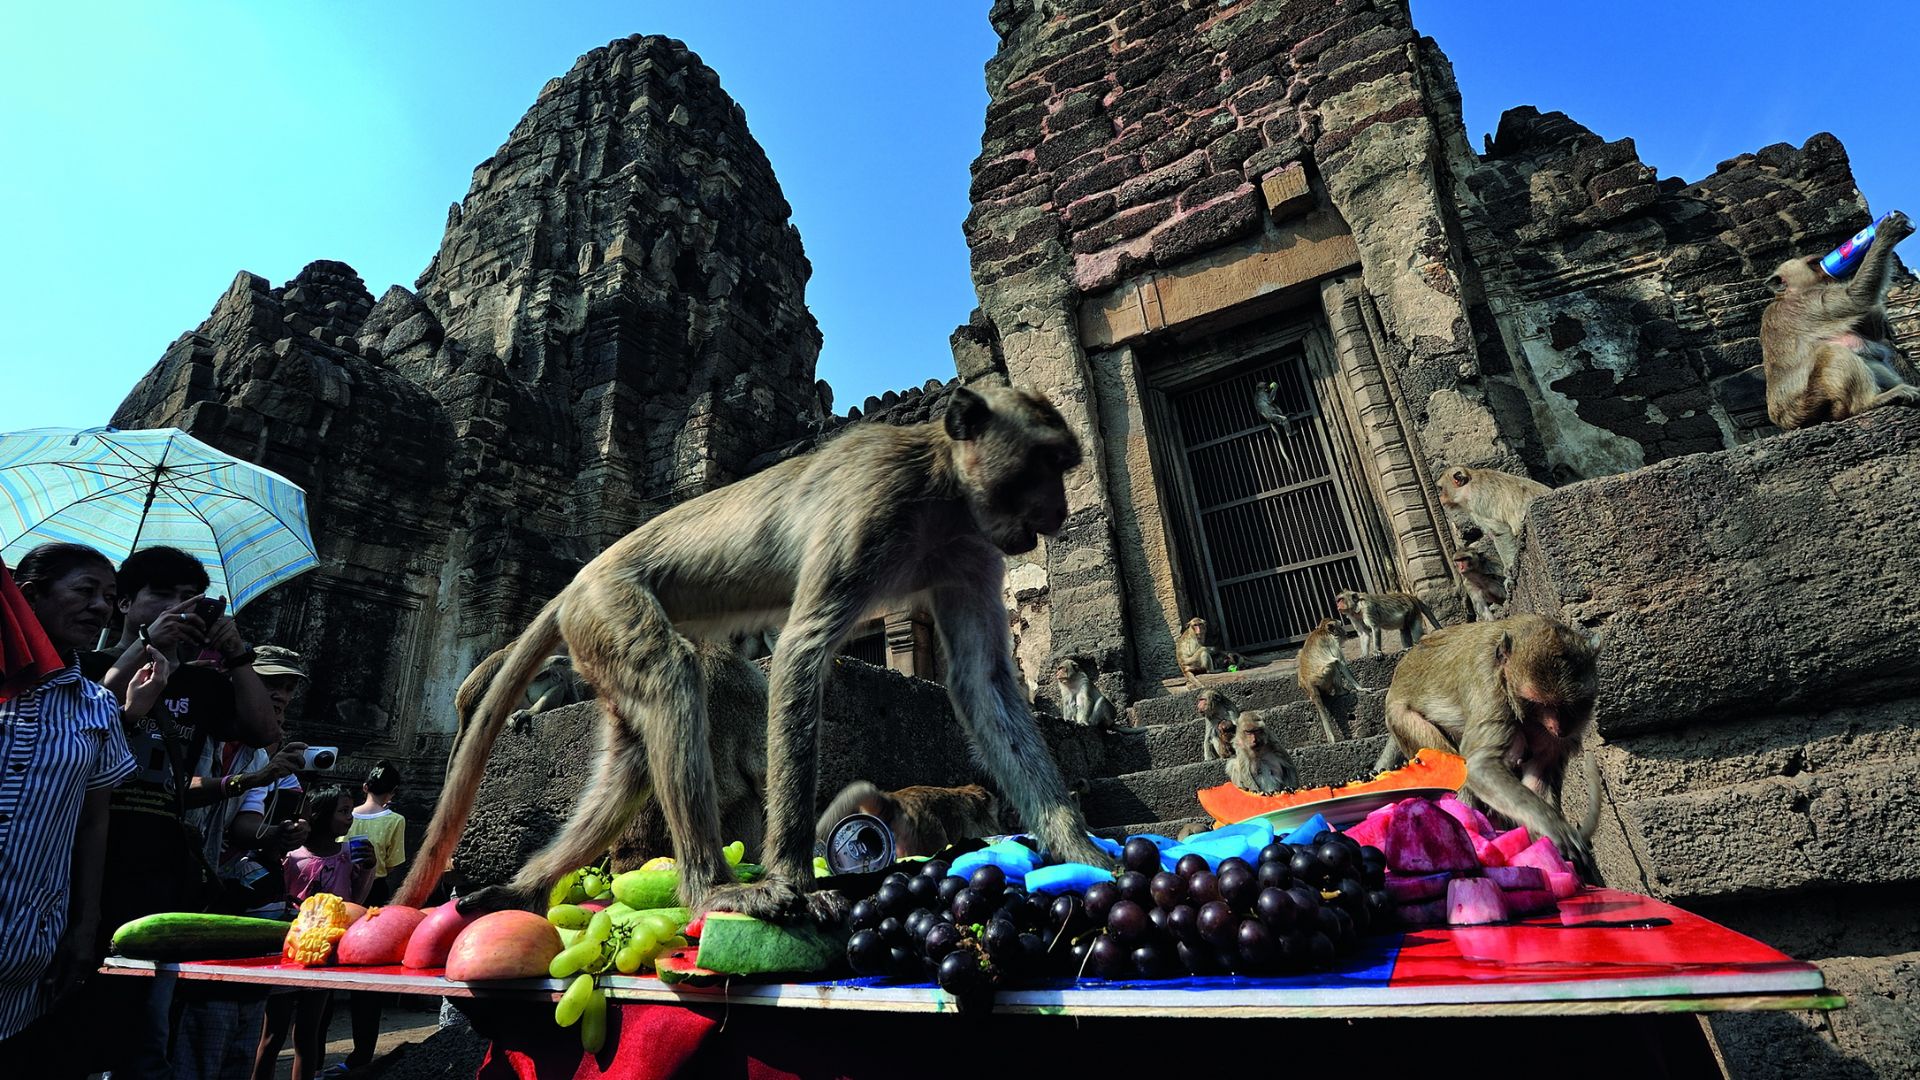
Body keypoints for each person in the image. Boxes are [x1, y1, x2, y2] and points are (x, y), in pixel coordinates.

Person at [73, 544, 280, 1079]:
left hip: (162, 865)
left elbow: (264, 733)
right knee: (69, 1006)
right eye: (162, 595)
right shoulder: (83, 666)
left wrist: (236, 655)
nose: (179, 608)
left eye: (192, 599)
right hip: (80, 854)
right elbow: (80, 728)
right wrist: (142, 649)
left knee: (146, 1024)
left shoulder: (202, 684)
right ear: (123, 603)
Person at [0, 545, 142, 1072]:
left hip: (27, 943)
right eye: (85, 591)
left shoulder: (96, 705)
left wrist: (85, 925)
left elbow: (93, 821)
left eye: (109, 597)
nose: (101, 607)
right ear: (29, 595)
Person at [172, 647, 312, 1080]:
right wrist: (251, 780)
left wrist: (278, 835)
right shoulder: (195, 727)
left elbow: (244, 827)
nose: (280, 696)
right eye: (270, 684)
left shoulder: (254, 753)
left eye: (287, 690)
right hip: (163, 875)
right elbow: (174, 788)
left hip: (211, 888)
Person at [254, 787, 375, 1080]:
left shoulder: (351, 854)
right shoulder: (293, 856)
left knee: (309, 1032)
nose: (350, 817)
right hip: (291, 950)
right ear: (319, 816)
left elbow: (356, 903)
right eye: (343, 811)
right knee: (273, 1033)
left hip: (326, 952)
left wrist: (370, 868)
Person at [338, 761, 407, 1076]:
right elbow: (392, 866)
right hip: (375, 893)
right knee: (369, 976)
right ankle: (362, 1054)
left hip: (338, 888)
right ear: (392, 793)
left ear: (365, 787)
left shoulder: (343, 816)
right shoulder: (395, 820)